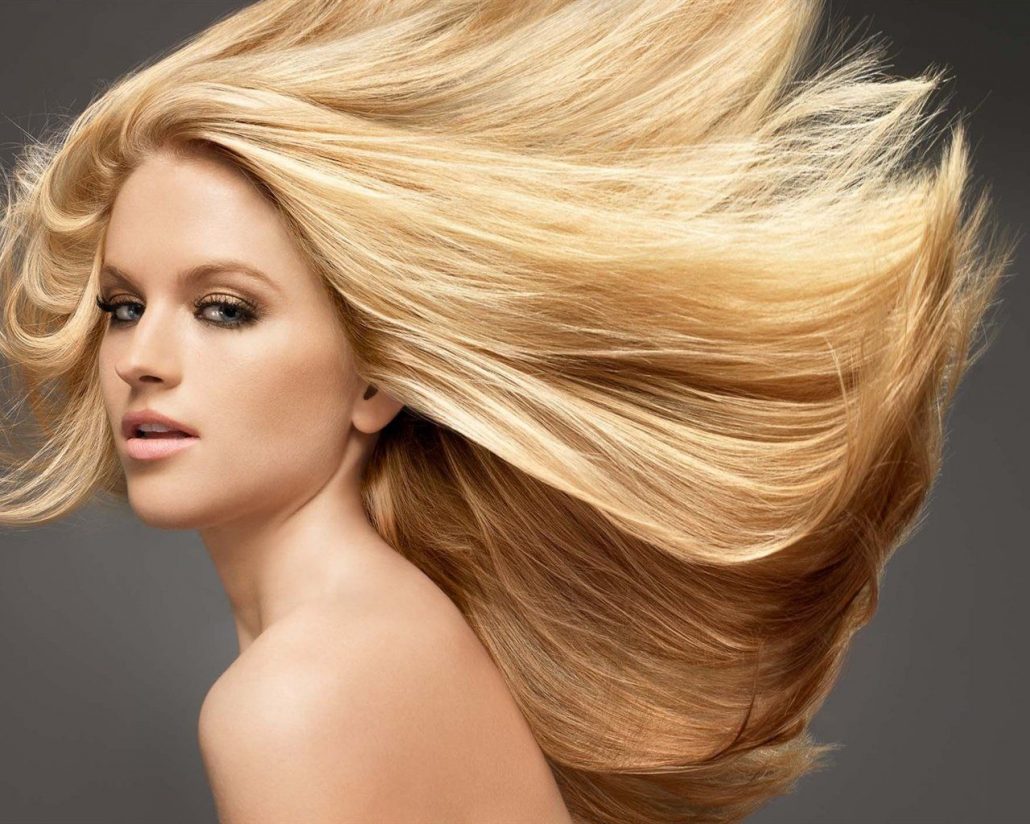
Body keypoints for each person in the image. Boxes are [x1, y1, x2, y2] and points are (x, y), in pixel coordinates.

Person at [0, 1, 1013, 822]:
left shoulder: (300, 694)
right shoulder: (392, 628)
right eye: (123, 306)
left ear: (375, 380)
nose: (143, 360)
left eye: (225, 309)